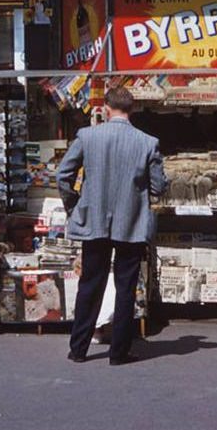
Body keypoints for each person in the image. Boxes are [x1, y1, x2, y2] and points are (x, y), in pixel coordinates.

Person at [57, 87, 167, 365]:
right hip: (130, 223)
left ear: (106, 108)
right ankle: (118, 352)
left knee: (90, 284)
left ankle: (79, 348)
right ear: (133, 109)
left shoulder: (88, 136)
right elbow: (158, 186)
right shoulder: (147, 142)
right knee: (125, 287)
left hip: (94, 220)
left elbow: (63, 175)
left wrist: (75, 205)